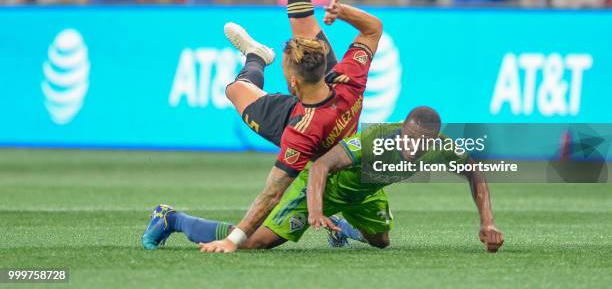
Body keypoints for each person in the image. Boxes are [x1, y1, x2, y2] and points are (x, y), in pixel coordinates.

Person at [142, 0, 382, 253]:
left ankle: (256, 57)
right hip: (306, 127)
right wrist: (342, 11)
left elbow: (271, 190)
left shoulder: (326, 97)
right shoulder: (344, 81)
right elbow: (372, 29)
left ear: (293, 80)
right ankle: (171, 218)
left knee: (380, 240)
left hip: (329, 149)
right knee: (239, 86)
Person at [140, 107, 504, 253]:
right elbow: (319, 167)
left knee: (381, 242)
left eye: (419, 142)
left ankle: (340, 227)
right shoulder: (375, 139)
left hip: (364, 193)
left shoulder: (443, 147)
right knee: (255, 244)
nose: (411, 146)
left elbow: (476, 173)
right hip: (321, 189)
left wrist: (487, 221)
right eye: (407, 137)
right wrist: (315, 209)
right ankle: (172, 218)